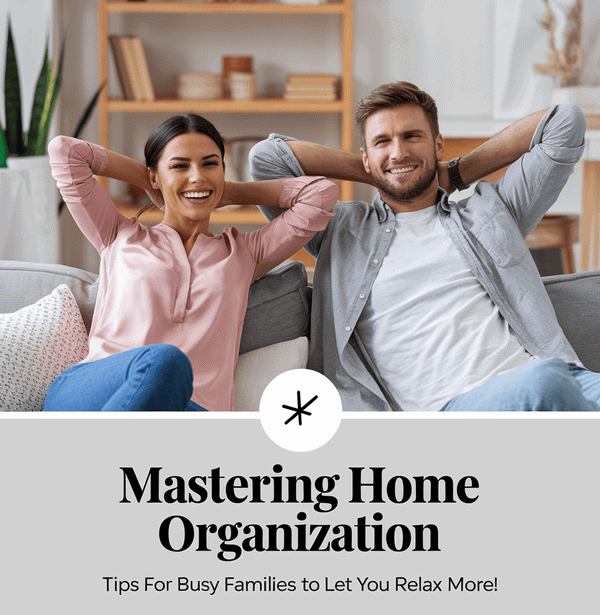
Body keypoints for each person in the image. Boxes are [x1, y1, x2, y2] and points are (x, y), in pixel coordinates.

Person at [249, 81, 600, 411]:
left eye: (412, 136)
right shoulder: (340, 231)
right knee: (544, 384)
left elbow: (565, 123)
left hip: (567, 380)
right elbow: (266, 160)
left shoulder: (492, 213)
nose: (399, 150)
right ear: (365, 156)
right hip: (463, 405)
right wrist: (381, 169)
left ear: (438, 145)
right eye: (382, 141)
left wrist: (456, 173)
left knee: (551, 381)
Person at [43, 113, 338, 411]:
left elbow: (321, 195)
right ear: (154, 175)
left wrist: (226, 191)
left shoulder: (245, 253)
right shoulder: (117, 234)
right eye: (180, 165)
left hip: (188, 410)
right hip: (90, 392)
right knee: (164, 360)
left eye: (210, 164)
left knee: (168, 366)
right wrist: (155, 181)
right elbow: (66, 152)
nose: (197, 176)